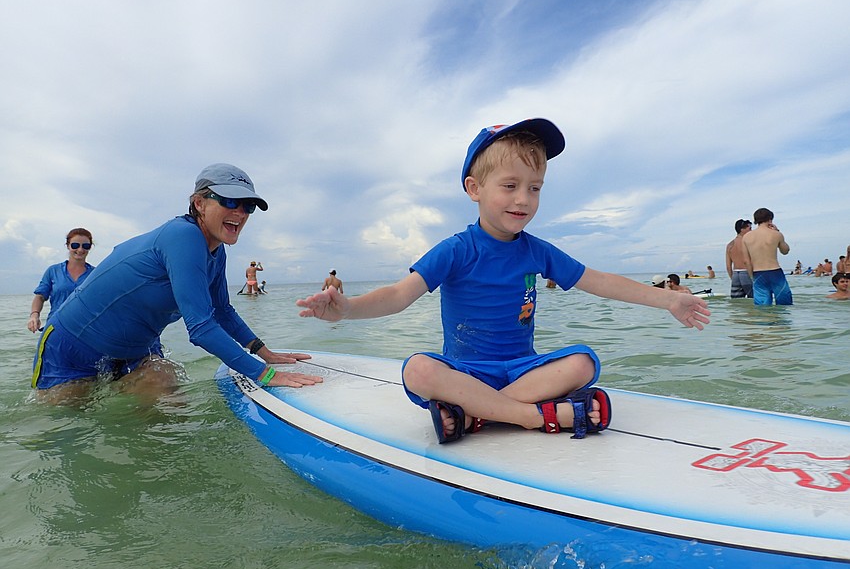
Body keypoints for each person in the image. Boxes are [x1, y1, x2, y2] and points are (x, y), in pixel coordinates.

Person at [297, 119, 709, 444]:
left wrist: (666, 300)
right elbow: (399, 296)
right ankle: (533, 416)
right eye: (509, 186)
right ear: (474, 189)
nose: (523, 199)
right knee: (418, 371)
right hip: (467, 371)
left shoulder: (537, 251)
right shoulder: (456, 249)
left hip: (522, 372)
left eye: (534, 188)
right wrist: (347, 309)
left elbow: (597, 280)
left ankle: (475, 413)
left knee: (584, 363)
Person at [31, 163, 322, 403]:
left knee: (168, 411)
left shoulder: (216, 251)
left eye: (248, 206)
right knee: (65, 428)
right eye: (230, 201)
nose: (240, 213)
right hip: (71, 347)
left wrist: (264, 353)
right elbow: (201, 329)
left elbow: (221, 311)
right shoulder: (183, 236)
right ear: (199, 203)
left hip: (136, 351)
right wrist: (265, 375)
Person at [28, 228, 96, 333]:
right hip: (56, 329)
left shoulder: (95, 274)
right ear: (68, 246)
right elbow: (40, 297)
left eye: (86, 246)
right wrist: (34, 315)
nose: (80, 249)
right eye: (75, 245)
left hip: (85, 331)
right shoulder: (53, 271)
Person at [742, 207, 792, 305]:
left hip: (758, 273)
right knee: (784, 304)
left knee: (762, 308)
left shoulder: (747, 237)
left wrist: (752, 276)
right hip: (775, 272)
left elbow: (746, 261)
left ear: (756, 220)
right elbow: (785, 251)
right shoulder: (776, 234)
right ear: (770, 219)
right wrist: (777, 231)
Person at [725, 218, 753, 298]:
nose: (751, 231)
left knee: (736, 302)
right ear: (742, 229)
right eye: (749, 228)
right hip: (747, 272)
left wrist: (732, 277)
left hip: (735, 275)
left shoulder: (730, 245)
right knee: (755, 299)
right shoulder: (748, 242)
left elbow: (728, 266)